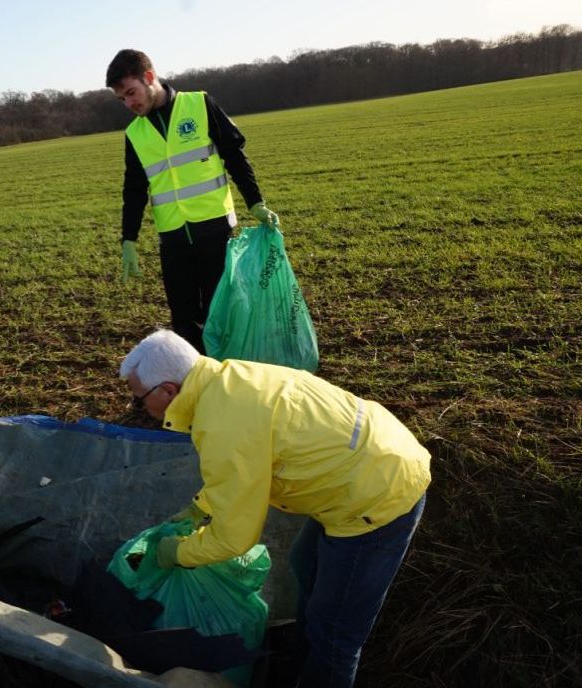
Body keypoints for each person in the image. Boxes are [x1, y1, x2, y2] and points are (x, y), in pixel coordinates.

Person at [119, 329, 431, 687]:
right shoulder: (229, 380)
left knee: (335, 635)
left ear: (168, 391)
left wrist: (177, 553)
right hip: (370, 463)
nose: (139, 408)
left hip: (376, 497)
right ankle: (295, 667)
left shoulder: (222, 422)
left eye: (137, 400)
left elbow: (234, 538)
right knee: (304, 565)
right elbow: (239, 474)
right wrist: (198, 509)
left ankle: (317, 672)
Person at [106, 49, 279, 354]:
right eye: (121, 99)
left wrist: (255, 202)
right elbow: (133, 189)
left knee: (220, 314)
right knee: (183, 321)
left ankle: (229, 379)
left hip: (214, 231)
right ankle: (197, 384)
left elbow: (234, 157)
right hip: (172, 239)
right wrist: (128, 239)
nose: (129, 104)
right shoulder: (134, 133)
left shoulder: (199, 104)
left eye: (131, 93)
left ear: (149, 77)